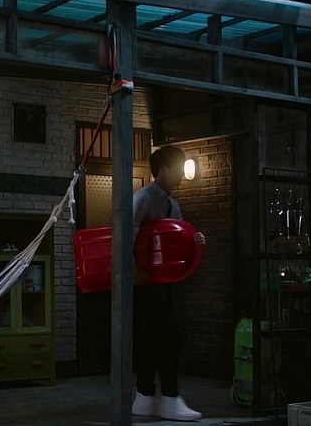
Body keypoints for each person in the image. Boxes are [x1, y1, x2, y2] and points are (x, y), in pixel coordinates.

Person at [130, 145, 206, 421]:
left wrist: (194, 240)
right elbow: (126, 235)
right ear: (162, 169)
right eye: (178, 168)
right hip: (146, 282)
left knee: (157, 338)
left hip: (166, 281)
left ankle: (147, 397)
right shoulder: (143, 198)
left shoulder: (173, 204)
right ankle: (165, 397)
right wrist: (134, 271)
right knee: (164, 336)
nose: (181, 175)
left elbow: (178, 239)